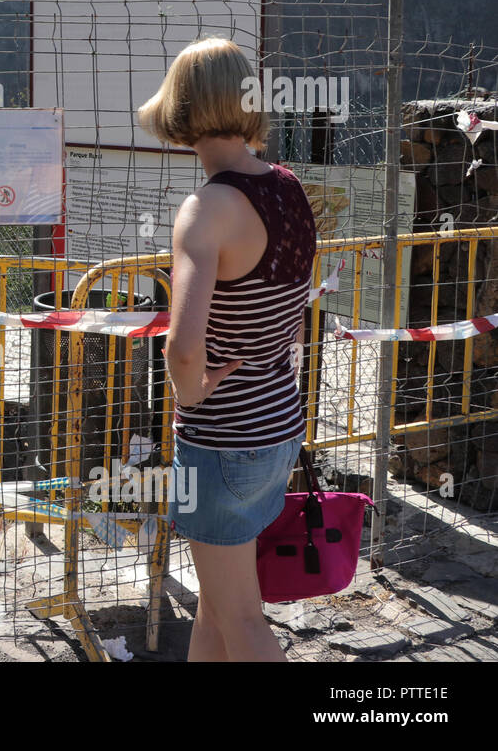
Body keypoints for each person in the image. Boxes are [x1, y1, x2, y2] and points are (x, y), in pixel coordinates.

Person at [137, 35, 317, 661]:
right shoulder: (289, 188)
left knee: (242, 619)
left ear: (180, 108)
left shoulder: (207, 208)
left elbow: (183, 350)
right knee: (214, 612)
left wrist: (193, 391)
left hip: (222, 442)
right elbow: (292, 313)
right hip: (279, 425)